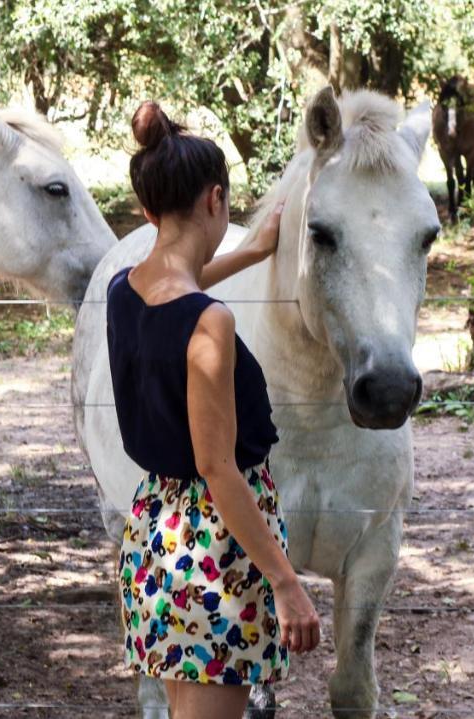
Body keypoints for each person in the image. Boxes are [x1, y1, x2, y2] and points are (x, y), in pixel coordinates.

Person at [109, 101, 321, 719]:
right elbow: (218, 468)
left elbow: (182, 279)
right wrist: (285, 582)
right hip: (215, 553)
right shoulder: (210, 323)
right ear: (215, 199)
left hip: (156, 538)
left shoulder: (126, 289)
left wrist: (254, 252)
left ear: (148, 210)